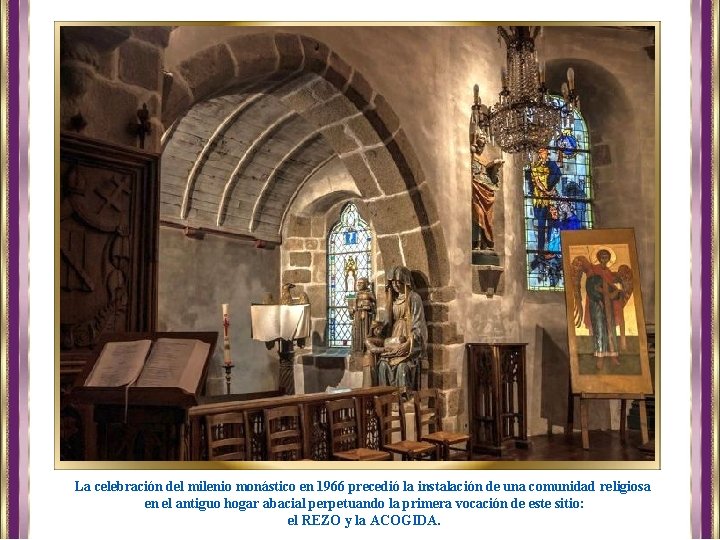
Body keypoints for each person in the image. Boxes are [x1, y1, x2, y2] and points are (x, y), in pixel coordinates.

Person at [570, 248, 633, 370]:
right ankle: (600, 357)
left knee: (610, 329)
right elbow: (590, 283)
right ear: (599, 258)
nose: (604, 258)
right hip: (596, 303)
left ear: (609, 258)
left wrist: (617, 292)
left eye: (606, 256)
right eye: (602, 256)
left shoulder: (610, 274)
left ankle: (613, 355)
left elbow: (616, 286)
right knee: (599, 328)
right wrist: (579, 299)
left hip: (609, 304)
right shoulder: (592, 269)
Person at [375, 266, 428, 391]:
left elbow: (418, 324)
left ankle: (405, 397)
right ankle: (386, 397)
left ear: (405, 281)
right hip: (394, 337)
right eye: (392, 282)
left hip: (409, 338)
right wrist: (378, 330)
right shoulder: (393, 300)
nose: (395, 285)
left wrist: (409, 344)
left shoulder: (414, 298)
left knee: (402, 367)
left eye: (398, 282)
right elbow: (387, 323)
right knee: (382, 365)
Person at [469, 89, 504, 251]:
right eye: (480, 140)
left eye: (484, 140)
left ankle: (486, 243)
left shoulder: (484, 159)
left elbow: (492, 178)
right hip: (476, 190)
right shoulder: (473, 156)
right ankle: (476, 243)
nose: (482, 143)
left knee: (488, 218)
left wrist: (495, 166)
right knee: (477, 215)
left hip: (486, 191)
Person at [526, 147, 562, 255]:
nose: (543, 155)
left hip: (550, 199)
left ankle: (551, 249)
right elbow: (536, 181)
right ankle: (540, 250)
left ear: (547, 154)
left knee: (552, 223)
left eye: (544, 153)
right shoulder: (535, 166)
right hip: (539, 199)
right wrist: (547, 192)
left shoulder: (551, 165)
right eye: (541, 153)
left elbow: (557, 173)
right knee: (541, 224)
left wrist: (551, 190)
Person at [348, 277, 376, 356]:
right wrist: (352, 309)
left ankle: (366, 349)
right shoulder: (352, 294)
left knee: (365, 331)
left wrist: (368, 305)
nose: (358, 284)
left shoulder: (369, 293)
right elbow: (349, 306)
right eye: (358, 283)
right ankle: (356, 349)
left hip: (366, 316)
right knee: (356, 332)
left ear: (366, 284)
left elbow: (375, 305)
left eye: (361, 283)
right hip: (357, 315)